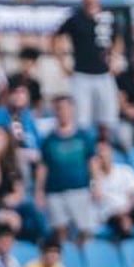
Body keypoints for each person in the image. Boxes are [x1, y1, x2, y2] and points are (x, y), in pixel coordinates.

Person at [56, 0, 118, 136]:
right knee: (81, 121)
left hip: (104, 75)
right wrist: (63, 63)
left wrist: (114, 59)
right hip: (81, 75)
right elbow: (56, 38)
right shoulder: (75, 19)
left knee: (106, 120)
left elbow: (118, 38)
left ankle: (105, 153)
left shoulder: (108, 17)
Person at [36, 96, 94, 241]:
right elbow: (43, 167)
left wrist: (96, 184)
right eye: (59, 109)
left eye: (66, 108)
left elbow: (92, 161)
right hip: (55, 192)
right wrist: (39, 190)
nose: (63, 112)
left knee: (84, 230)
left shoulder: (83, 137)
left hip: (79, 189)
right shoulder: (49, 140)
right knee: (59, 231)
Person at [90, 134, 134, 239]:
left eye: (105, 151)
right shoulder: (93, 179)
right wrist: (96, 175)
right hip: (111, 216)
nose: (103, 156)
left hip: (128, 210)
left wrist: (126, 212)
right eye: (99, 153)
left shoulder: (125, 171)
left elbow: (133, 195)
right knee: (120, 223)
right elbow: (97, 198)